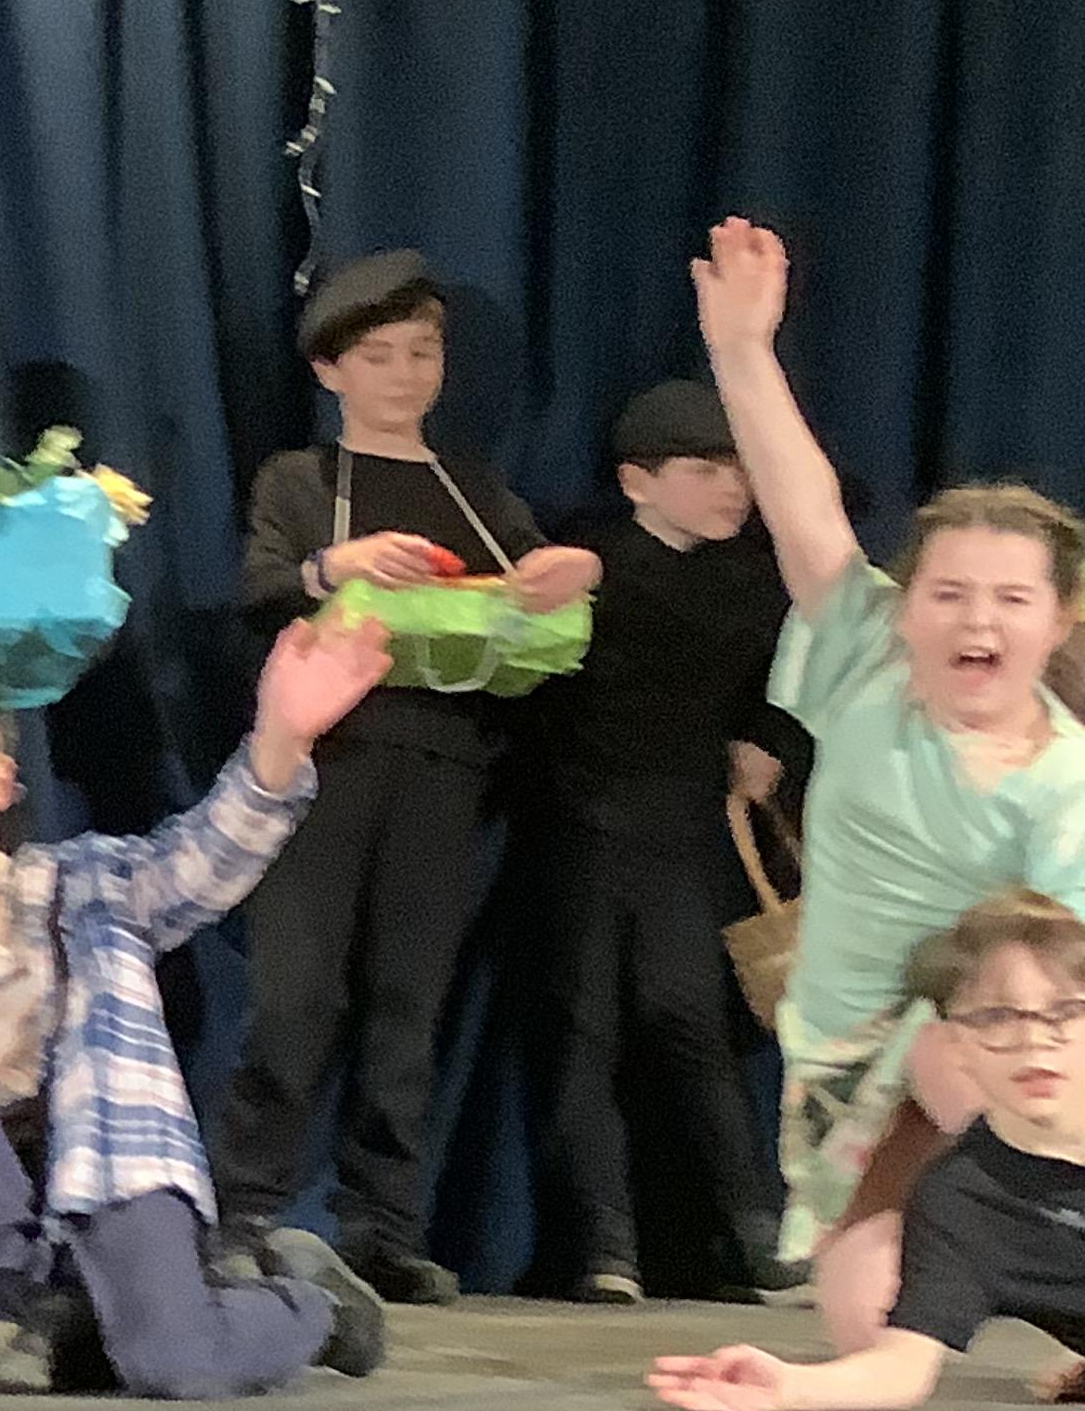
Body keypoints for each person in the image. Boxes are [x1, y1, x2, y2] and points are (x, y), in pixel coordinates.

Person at [0, 638, 393, 1394]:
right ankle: (72, 1310)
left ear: (1, 781)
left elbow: (204, 857)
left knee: (175, 1364)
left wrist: (280, 738)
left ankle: (316, 1309)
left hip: (102, 1175)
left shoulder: (82, 888)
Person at [693, 216, 1085, 1352]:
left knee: (960, 1050)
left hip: (990, 1039)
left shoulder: (1063, 779)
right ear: (907, 608)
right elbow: (805, 510)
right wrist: (743, 351)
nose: (976, 621)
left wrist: (986, 1040)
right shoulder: (866, 659)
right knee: (868, 1327)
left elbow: (1053, 977)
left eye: (1010, 600)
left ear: (1056, 622)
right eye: (950, 594)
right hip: (846, 1044)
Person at [209, 251, 603, 1306]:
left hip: (444, 765)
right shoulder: (302, 480)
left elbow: (544, 580)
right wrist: (330, 568)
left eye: (421, 353)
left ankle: (385, 1227)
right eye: (378, 356)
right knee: (295, 997)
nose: (403, 374)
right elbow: (257, 593)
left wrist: (577, 569)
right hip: (320, 763)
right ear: (331, 372)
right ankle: (243, 1212)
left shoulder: (473, 489)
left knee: (405, 1006)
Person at [529, 379, 801, 1303]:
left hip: (684, 835)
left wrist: (765, 736)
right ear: (637, 482)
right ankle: (604, 1248)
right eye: (705, 470)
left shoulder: (755, 580)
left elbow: (781, 684)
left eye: (739, 470)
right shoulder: (593, 563)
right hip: (583, 831)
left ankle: (750, 1233)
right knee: (583, 1032)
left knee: (689, 1024)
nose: (732, 488)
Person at [652, 892, 1085, 1411]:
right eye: (996, 1017)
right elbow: (902, 1365)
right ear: (954, 1045)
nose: (1034, 1040)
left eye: (1065, 1011)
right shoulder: (962, 1200)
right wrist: (789, 1386)